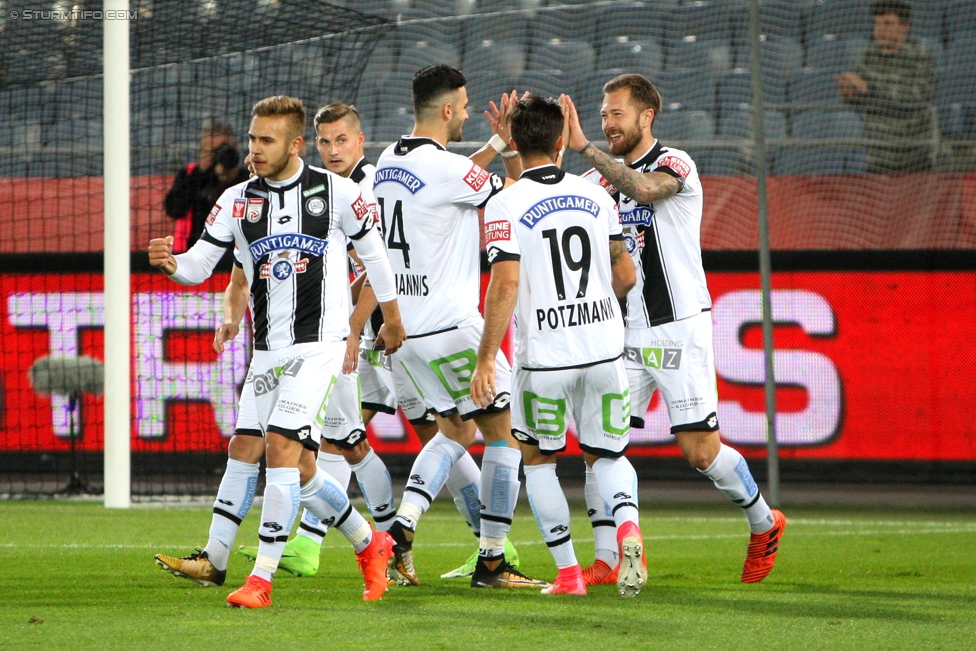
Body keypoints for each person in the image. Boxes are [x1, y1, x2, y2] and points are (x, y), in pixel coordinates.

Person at [238, 101, 519, 579]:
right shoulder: (344, 186)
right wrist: (498, 145)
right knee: (428, 434)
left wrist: (351, 327)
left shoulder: (367, 183)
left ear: (360, 140)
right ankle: (477, 545)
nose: (331, 151)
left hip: (378, 335)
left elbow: (373, 266)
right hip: (390, 332)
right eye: (324, 142)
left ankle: (383, 541)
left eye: (340, 141)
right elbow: (452, 178)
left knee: (372, 437)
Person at [150, 95, 406, 608]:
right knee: (249, 451)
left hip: (320, 348)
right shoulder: (236, 200)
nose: (255, 150)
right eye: (251, 139)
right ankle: (362, 542)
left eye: (266, 141)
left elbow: (377, 255)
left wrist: (393, 318)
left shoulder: (336, 193)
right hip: (267, 351)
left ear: (294, 144)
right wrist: (170, 263)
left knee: (282, 451)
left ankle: (261, 580)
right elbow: (202, 265)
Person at [563, 74, 786, 585]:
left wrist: (585, 147)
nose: (607, 122)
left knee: (700, 452)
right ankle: (607, 558)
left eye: (617, 113)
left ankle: (764, 521)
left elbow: (641, 188)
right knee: (598, 445)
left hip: (677, 328)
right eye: (602, 114)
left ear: (647, 117)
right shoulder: (598, 185)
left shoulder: (674, 163)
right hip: (622, 333)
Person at [374, 64, 547, 589]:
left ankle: (400, 530)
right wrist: (516, 147)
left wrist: (496, 140)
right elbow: (516, 193)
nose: (469, 113)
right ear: (447, 109)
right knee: (504, 436)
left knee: (455, 428)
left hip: (405, 331)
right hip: (451, 326)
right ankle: (492, 562)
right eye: (466, 106)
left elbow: (452, 178)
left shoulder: (387, 160)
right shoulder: (448, 169)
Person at [471, 95, 646, 597]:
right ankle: (628, 525)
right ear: (561, 140)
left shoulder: (504, 204)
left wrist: (487, 359)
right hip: (603, 350)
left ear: (516, 143)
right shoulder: (598, 196)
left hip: (545, 357)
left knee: (540, 460)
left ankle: (569, 574)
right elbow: (625, 274)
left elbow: (504, 285)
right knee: (608, 456)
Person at [836, 0, 935, 173]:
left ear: (905, 26)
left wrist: (869, 89)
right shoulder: (868, 55)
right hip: (877, 152)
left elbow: (914, 99)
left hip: (914, 153)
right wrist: (850, 94)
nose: (880, 29)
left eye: (887, 23)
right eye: (876, 23)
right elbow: (863, 99)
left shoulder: (920, 57)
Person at [164, 122, 249, 251]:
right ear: (202, 151)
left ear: (235, 148)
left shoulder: (247, 178)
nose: (220, 155)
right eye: (214, 150)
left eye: (225, 148)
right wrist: (202, 173)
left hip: (237, 257)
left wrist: (231, 180)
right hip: (195, 253)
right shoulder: (190, 174)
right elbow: (173, 210)